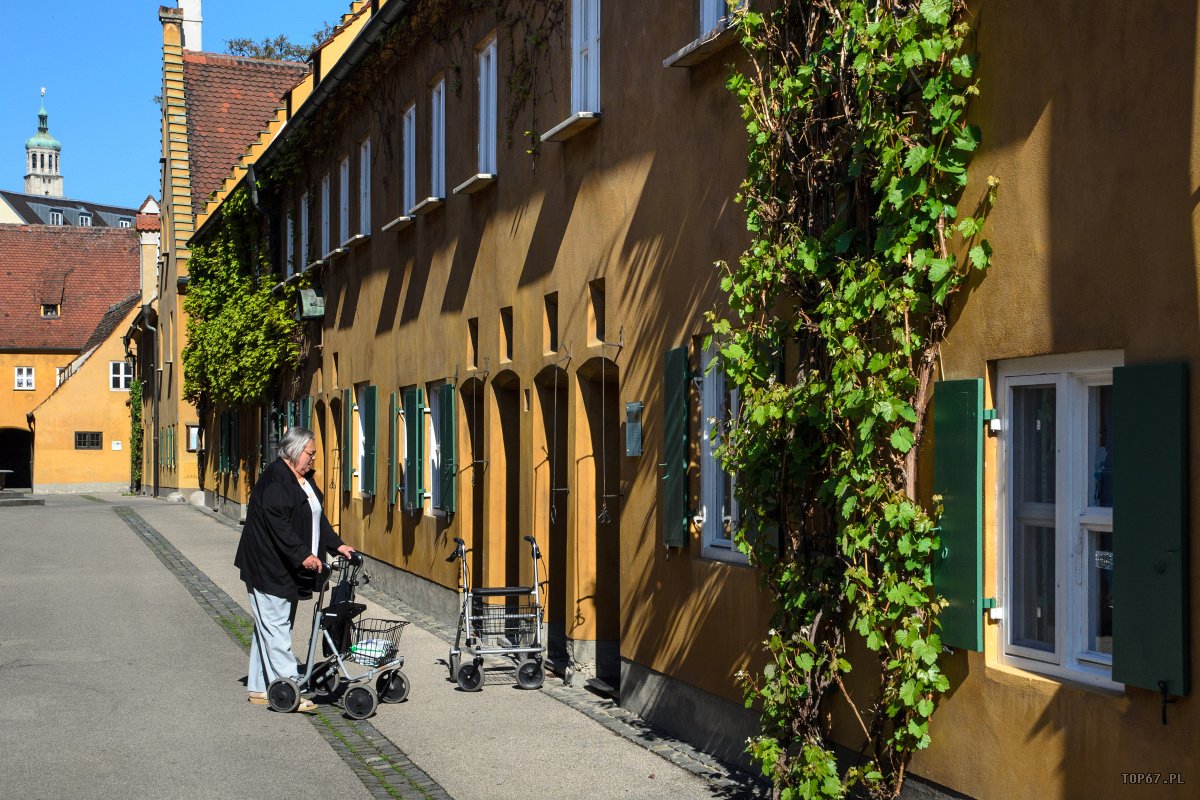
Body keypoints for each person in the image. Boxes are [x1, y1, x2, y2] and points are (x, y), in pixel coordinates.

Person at [235, 426, 355, 710]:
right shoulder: (276, 482)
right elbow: (280, 527)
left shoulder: (302, 480)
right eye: (310, 453)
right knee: (276, 627)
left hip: (286, 568)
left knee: (270, 626)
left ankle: (258, 687)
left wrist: (337, 546)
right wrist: (303, 555)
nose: (313, 459)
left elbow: (317, 519)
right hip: (268, 567)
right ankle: (289, 688)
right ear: (293, 451)